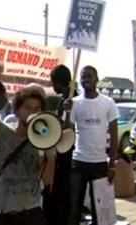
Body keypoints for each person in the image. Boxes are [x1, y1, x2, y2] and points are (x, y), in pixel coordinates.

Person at [0, 62, 48, 225]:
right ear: (17, 110)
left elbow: (48, 180)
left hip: (32, 211)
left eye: (37, 109)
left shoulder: (43, 139)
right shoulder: (4, 133)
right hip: (4, 213)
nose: (32, 112)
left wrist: (49, 154)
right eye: (28, 107)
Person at [66, 65, 118, 225]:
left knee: (100, 212)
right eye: (83, 77)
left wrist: (112, 164)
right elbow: (67, 132)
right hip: (79, 163)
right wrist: (66, 112)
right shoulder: (74, 103)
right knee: (74, 208)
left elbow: (114, 136)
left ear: (96, 79)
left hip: (100, 165)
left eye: (89, 76)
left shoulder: (108, 103)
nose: (85, 80)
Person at [42, 64, 77, 225]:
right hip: (63, 155)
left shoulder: (70, 99)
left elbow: (67, 128)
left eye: (52, 82)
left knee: (59, 194)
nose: (52, 86)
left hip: (65, 155)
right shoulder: (66, 98)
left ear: (58, 82)